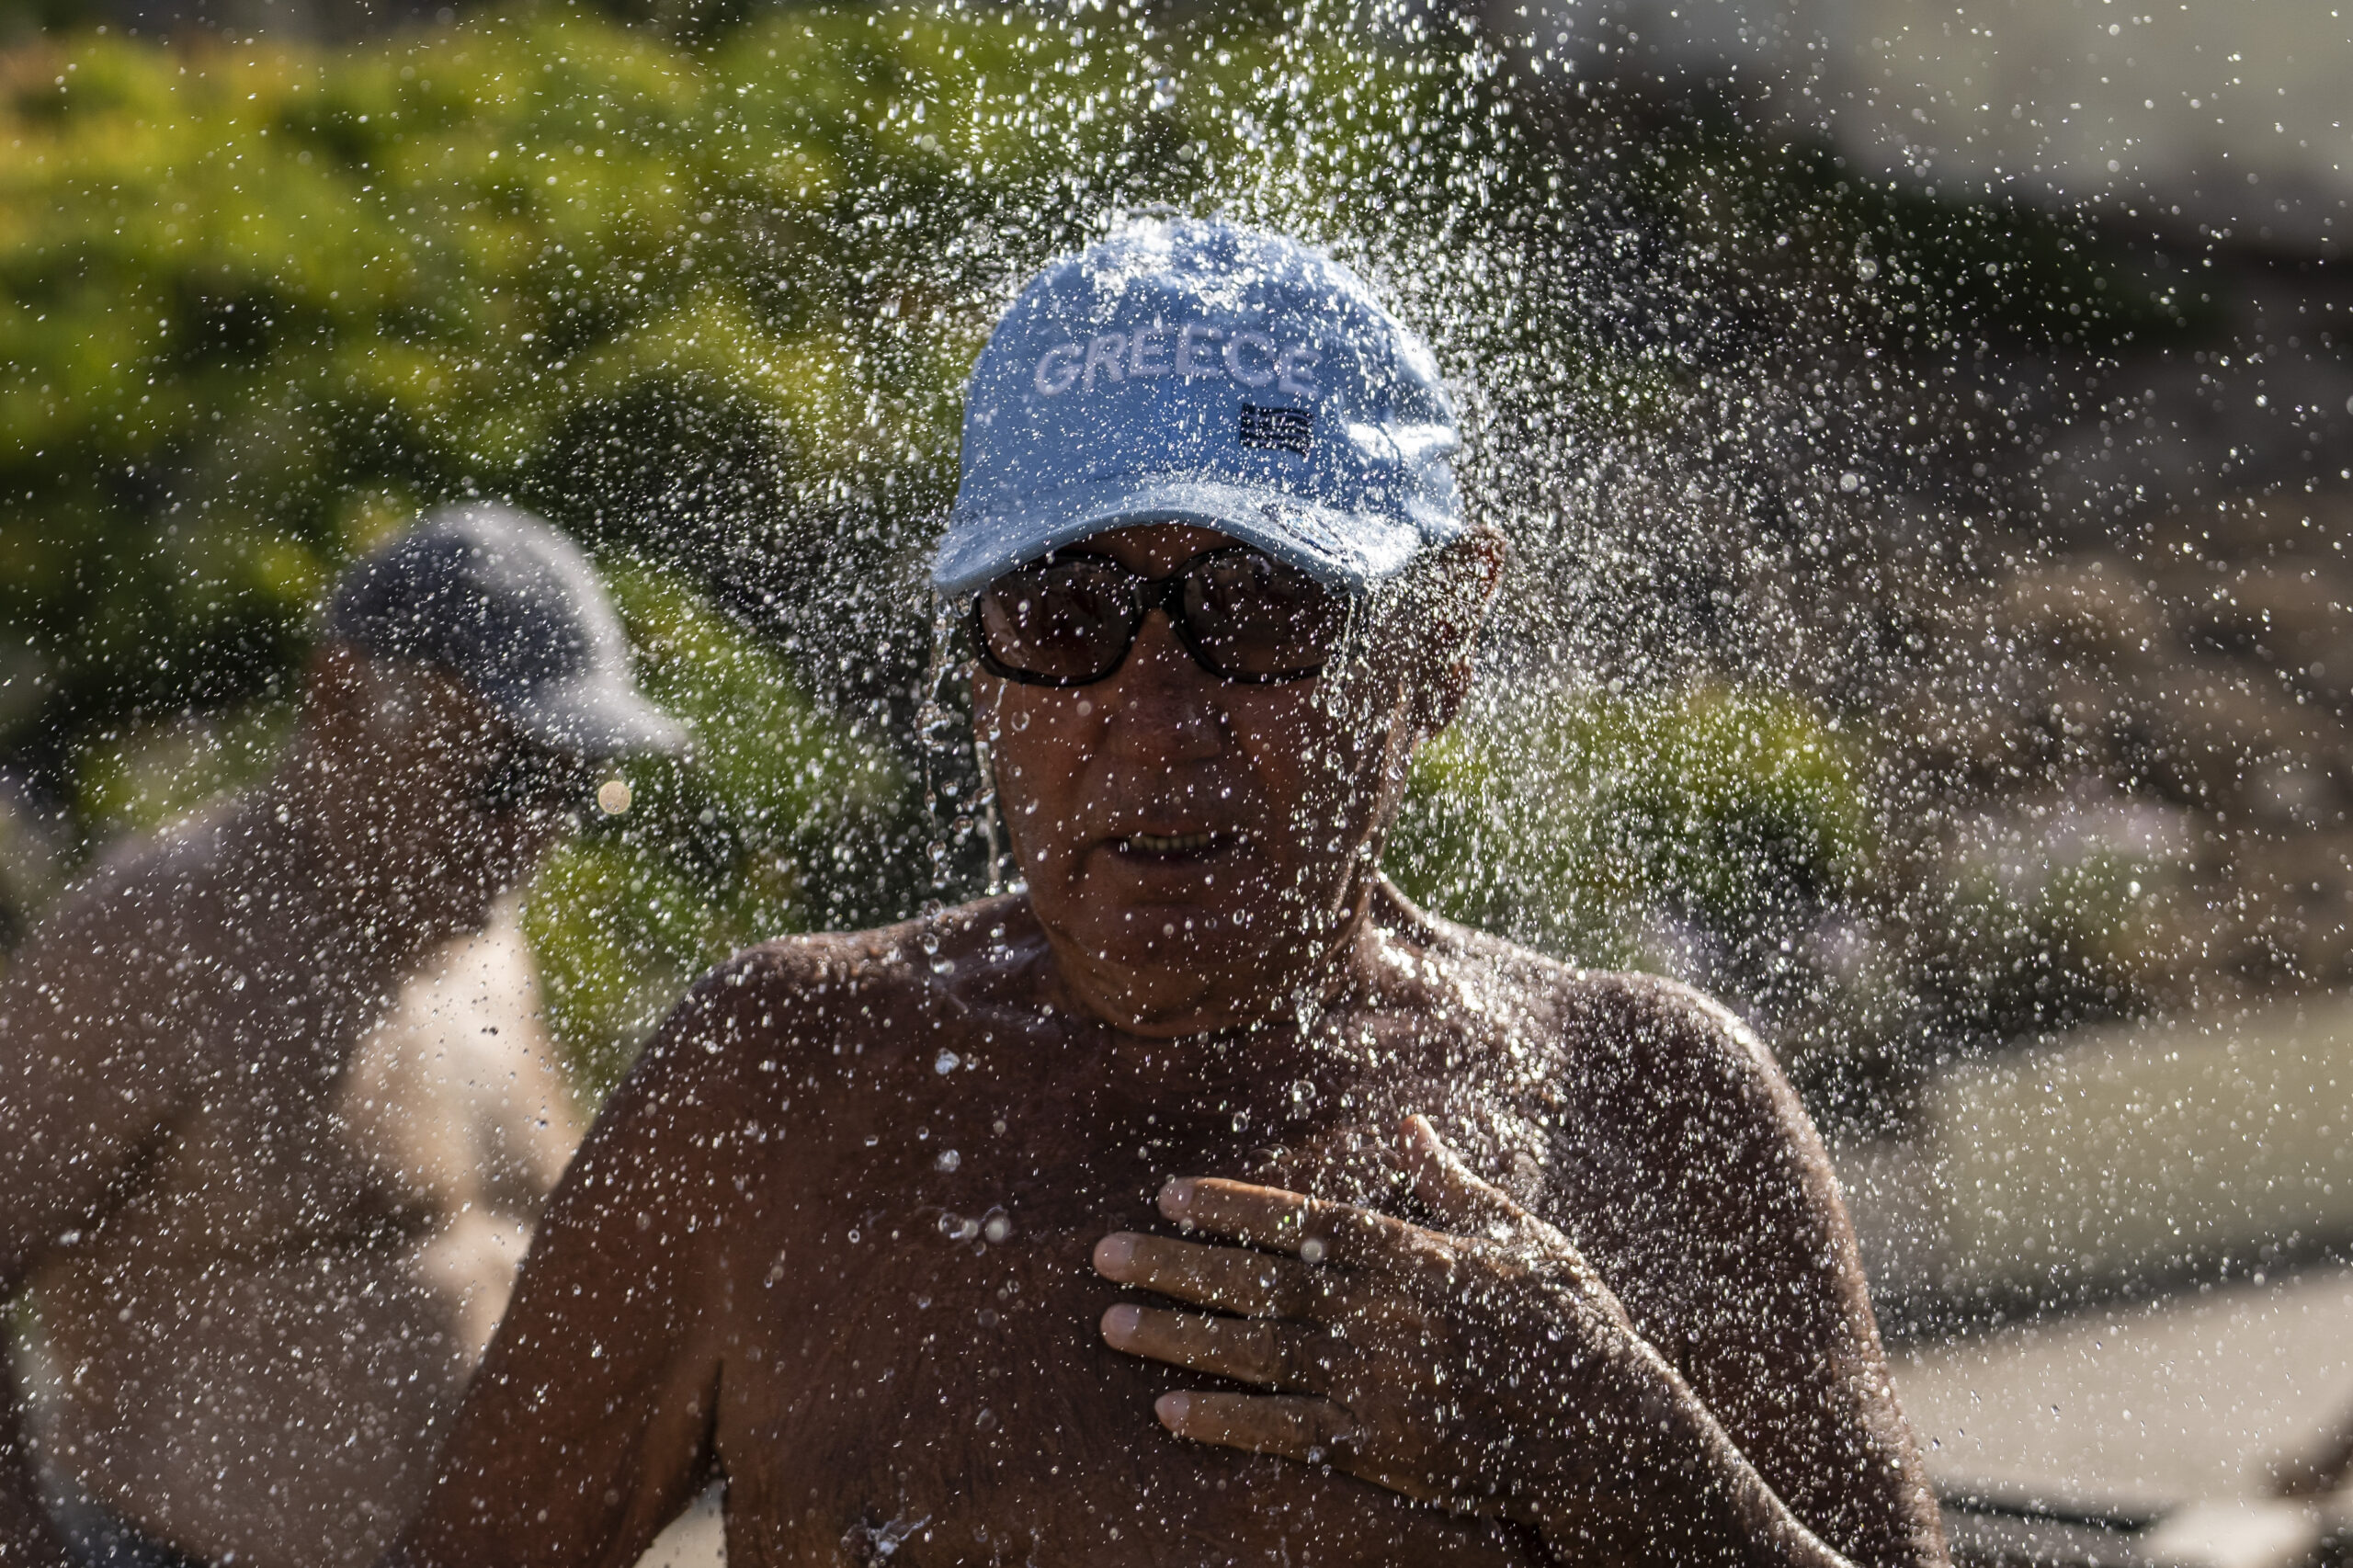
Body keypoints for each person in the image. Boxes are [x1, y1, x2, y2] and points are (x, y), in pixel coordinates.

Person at [384, 221, 1947, 1566]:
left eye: (1263, 612)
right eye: (1066, 617)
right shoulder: (777, 1087)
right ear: (973, 659)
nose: (1157, 719)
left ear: (1441, 643)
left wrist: (1617, 1459)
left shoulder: (1649, 1108)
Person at [0, 505, 684, 1568]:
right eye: (506, 777)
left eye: (572, 782)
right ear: (344, 700)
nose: (537, 829)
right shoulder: (159, 939)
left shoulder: (488, 943)